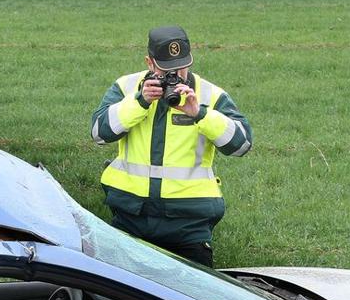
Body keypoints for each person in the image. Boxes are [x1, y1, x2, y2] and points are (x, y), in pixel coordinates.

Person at [90, 25, 253, 267]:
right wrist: (140, 102)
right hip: (131, 218)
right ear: (149, 62)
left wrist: (200, 114)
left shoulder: (210, 95)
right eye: (166, 69)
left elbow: (241, 145)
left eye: (181, 66)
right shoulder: (127, 88)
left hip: (188, 225)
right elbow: (99, 134)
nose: (176, 75)